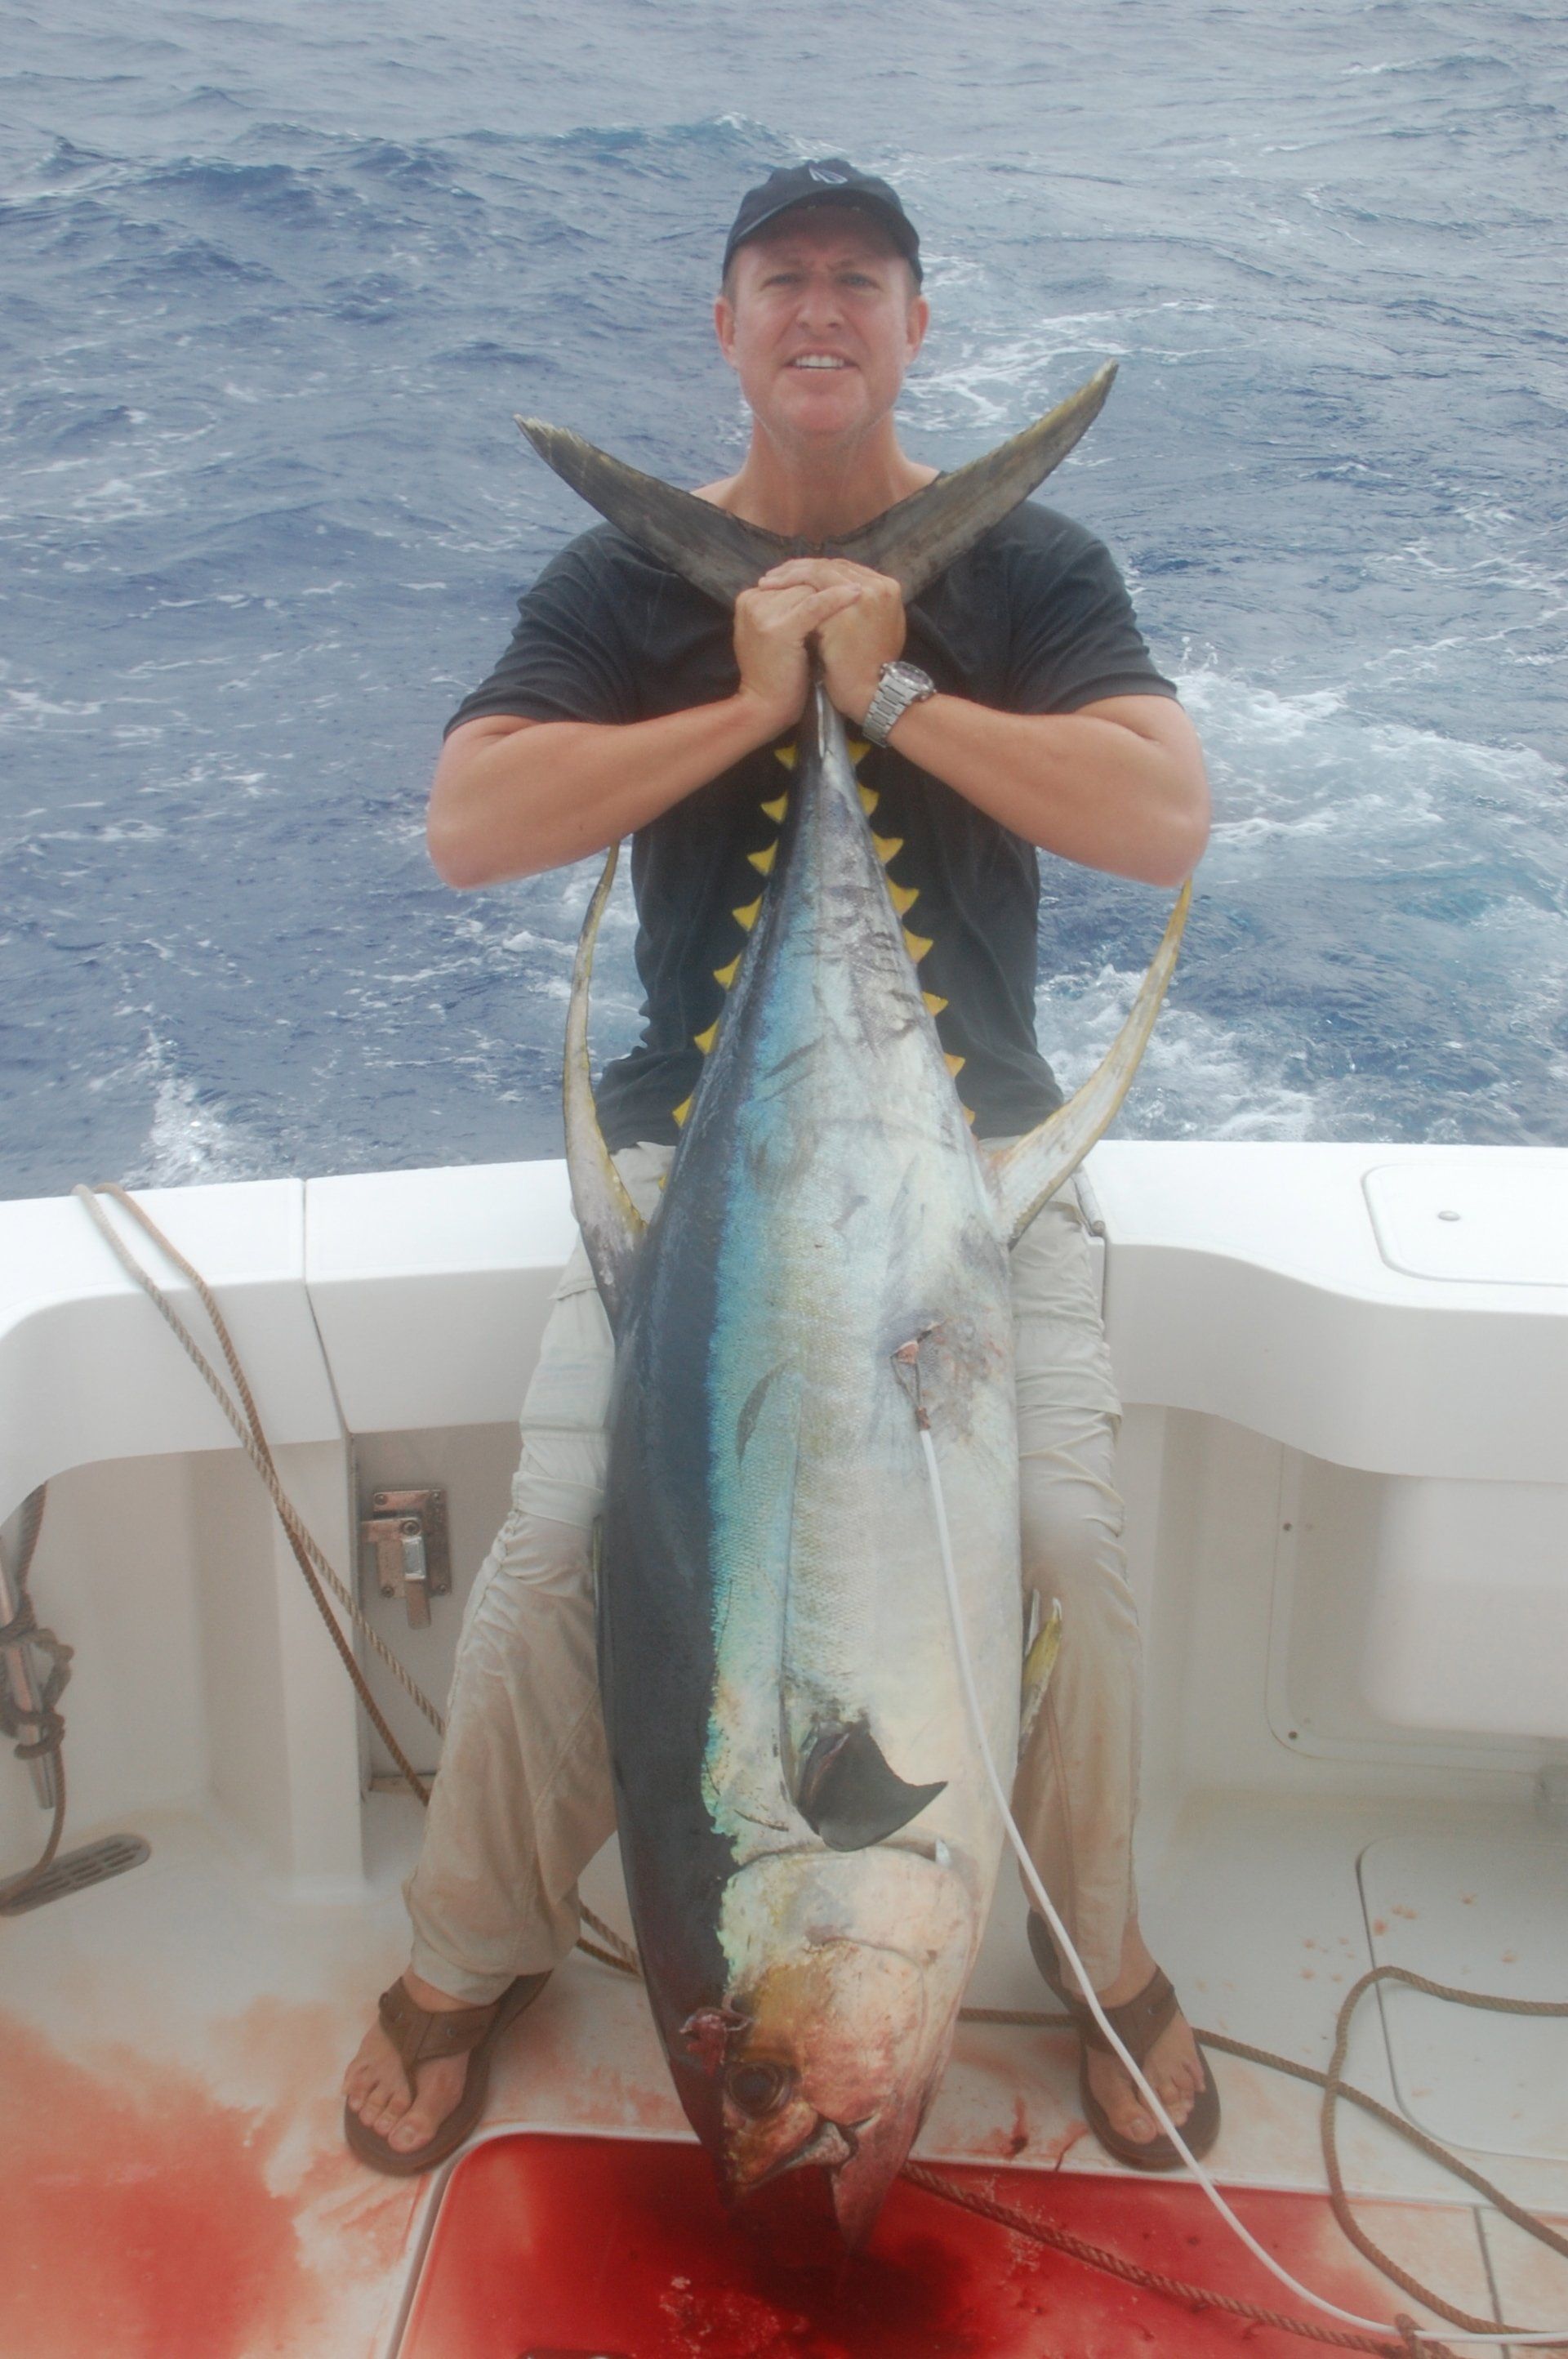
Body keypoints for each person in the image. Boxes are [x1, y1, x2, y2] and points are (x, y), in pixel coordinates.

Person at [343, 159, 1215, 2178]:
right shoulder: (622, 592)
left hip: (978, 1170)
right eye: (780, 282)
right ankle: (466, 1949)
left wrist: (892, 687)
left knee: (1066, 1560)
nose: (820, 310)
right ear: (725, 330)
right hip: (695, 1188)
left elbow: (1164, 816)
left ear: (915, 326)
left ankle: (1104, 1951)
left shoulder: (1037, 567)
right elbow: (474, 823)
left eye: (860, 282)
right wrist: (752, 698)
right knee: (559, 1559)